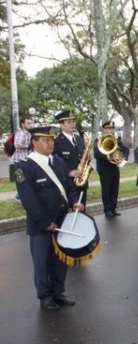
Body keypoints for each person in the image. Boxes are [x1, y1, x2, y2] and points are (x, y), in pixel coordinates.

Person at [15, 126, 85, 310]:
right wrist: (45, 223)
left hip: (62, 221)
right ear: (34, 142)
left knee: (60, 260)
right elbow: (29, 200)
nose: (50, 143)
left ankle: (58, 292)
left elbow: (68, 187)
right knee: (42, 262)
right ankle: (45, 296)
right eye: (46, 140)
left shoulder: (58, 162)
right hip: (42, 226)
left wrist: (74, 202)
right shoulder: (25, 166)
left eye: (52, 139)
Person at [93, 120, 130, 217]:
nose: (110, 130)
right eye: (108, 128)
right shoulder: (99, 140)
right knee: (106, 189)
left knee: (115, 188)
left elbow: (126, 149)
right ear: (104, 129)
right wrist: (109, 156)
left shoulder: (116, 140)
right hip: (104, 168)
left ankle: (113, 208)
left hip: (114, 167)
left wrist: (123, 159)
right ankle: (107, 210)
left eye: (112, 128)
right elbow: (97, 154)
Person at [53, 109, 89, 205]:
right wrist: (69, 172)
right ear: (61, 125)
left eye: (73, 121)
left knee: (82, 212)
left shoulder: (79, 139)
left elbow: (83, 158)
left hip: (82, 183)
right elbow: (54, 163)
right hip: (67, 185)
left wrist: (87, 159)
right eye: (69, 122)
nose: (72, 124)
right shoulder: (56, 142)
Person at [10, 115, 34, 201]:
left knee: (26, 178)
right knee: (20, 178)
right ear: (22, 124)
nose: (30, 125)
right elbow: (17, 145)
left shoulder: (28, 133)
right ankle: (19, 196)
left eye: (30, 123)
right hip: (18, 161)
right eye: (28, 123)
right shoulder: (20, 133)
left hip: (26, 160)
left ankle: (21, 195)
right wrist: (29, 146)